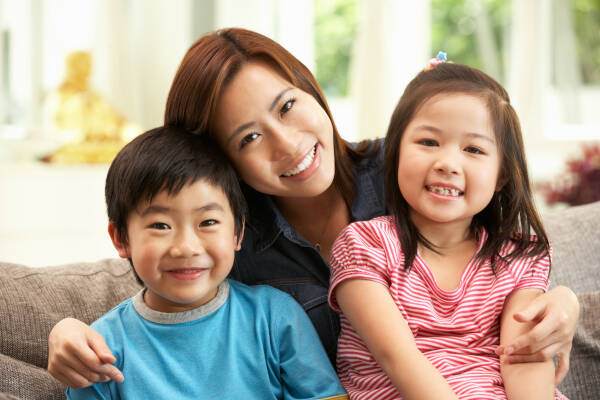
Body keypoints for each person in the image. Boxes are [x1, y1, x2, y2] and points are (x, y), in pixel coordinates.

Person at [48, 28, 579, 389]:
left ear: (311, 89)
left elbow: (505, 252)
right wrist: (66, 331)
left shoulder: (408, 171)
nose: (288, 144)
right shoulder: (237, 245)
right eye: (250, 136)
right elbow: (163, 298)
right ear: (223, 161)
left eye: (288, 106)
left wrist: (562, 304)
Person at [328, 58, 567, 399]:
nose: (447, 164)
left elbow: (524, 358)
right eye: (428, 142)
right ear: (395, 154)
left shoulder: (518, 257)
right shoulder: (364, 245)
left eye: (473, 149)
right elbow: (397, 357)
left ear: (501, 175)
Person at [66, 126, 348, 399]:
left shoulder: (276, 318)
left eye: (208, 222)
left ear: (237, 232)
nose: (186, 247)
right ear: (121, 238)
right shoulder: (100, 348)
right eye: (161, 225)